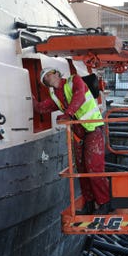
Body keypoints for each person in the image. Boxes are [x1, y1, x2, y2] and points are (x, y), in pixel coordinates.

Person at [33, 68, 110, 214]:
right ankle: (90, 203)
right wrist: (32, 101)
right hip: (80, 134)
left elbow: (79, 96)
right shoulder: (56, 96)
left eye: (50, 75)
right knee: (81, 170)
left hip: (93, 128)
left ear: (57, 73)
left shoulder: (74, 81)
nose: (49, 79)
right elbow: (42, 108)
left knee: (93, 167)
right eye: (45, 79)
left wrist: (68, 114)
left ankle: (104, 202)